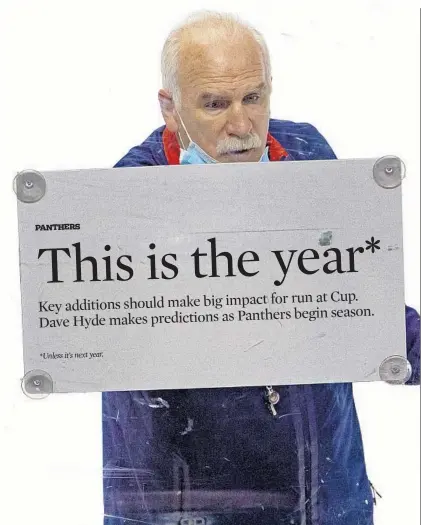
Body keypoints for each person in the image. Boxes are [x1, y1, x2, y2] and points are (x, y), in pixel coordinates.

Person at [102, 11, 420, 525]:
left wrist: (407, 343)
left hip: (324, 491)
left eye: (253, 97)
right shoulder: (127, 197)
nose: (241, 125)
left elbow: (350, 296)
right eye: (214, 104)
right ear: (171, 107)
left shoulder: (308, 155)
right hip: (194, 500)